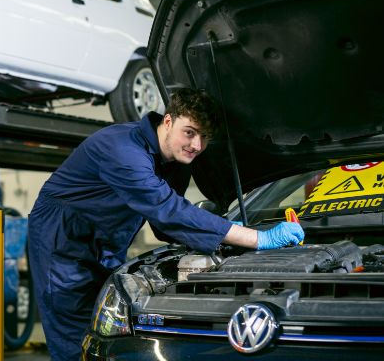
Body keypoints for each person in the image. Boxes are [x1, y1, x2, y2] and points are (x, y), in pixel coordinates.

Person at [27, 88, 304, 361]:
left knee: (106, 327)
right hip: (62, 239)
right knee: (74, 334)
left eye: (204, 137)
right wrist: (255, 237)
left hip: (106, 241)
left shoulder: (176, 163)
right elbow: (169, 211)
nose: (197, 145)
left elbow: (165, 226)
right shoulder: (122, 148)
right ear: (168, 121)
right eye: (190, 132)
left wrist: (224, 230)